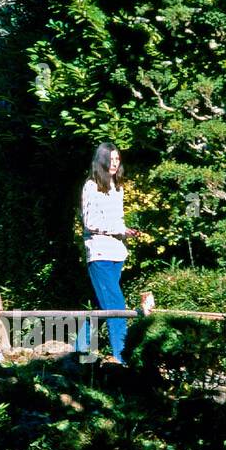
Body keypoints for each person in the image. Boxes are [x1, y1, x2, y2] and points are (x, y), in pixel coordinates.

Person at [77, 142, 139, 364]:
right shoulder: (91, 186)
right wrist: (117, 230)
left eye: (117, 160)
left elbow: (116, 221)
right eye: (111, 160)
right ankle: (122, 357)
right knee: (116, 306)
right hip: (100, 254)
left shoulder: (117, 186)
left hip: (116, 253)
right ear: (101, 161)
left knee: (101, 305)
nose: (115, 164)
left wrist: (125, 231)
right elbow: (90, 222)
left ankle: (79, 350)